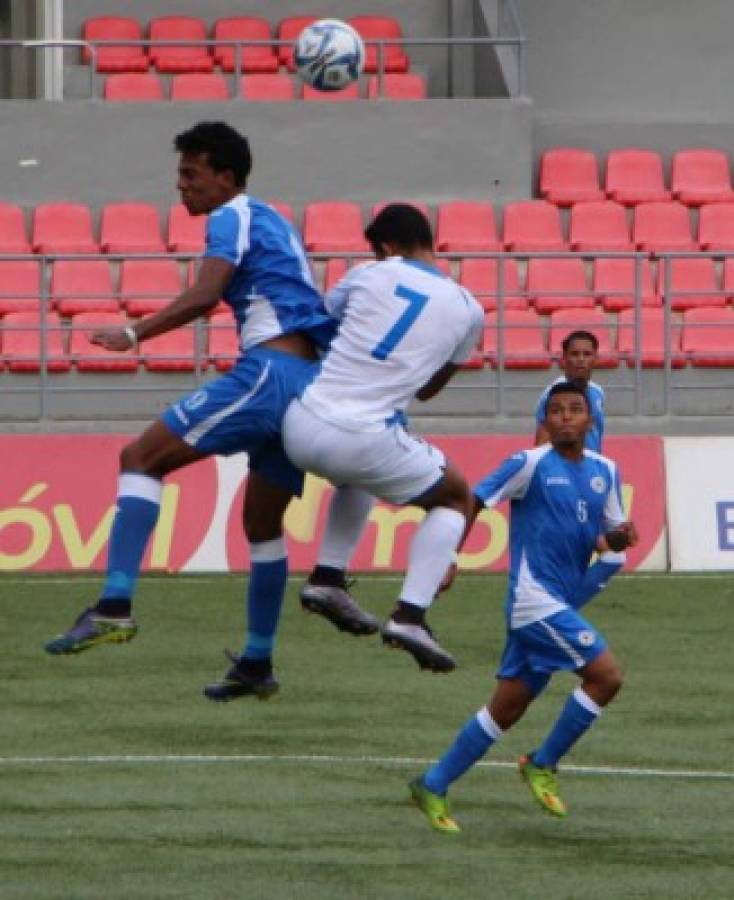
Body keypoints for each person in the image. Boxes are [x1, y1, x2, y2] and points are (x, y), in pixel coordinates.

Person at [44, 121, 379, 702]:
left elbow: (205, 294)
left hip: (270, 375)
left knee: (140, 457)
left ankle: (114, 605)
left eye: (190, 174)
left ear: (226, 177)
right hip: (304, 381)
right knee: (261, 526)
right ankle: (256, 661)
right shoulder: (274, 220)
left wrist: (134, 331)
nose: (182, 187)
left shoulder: (234, 216)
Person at [409, 380, 637, 833]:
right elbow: (473, 502)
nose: (566, 417)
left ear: (591, 420)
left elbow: (611, 546)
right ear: (544, 422)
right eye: (556, 411)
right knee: (606, 676)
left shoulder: (605, 471)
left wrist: (615, 539)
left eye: (575, 409)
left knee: (506, 709)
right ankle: (542, 762)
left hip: (554, 605)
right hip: (533, 603)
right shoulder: (528, 464)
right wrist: (449, 554)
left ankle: (432, 783)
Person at [282, 203, 485, 673]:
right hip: (364, 436)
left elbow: (319, 331)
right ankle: (410, 616)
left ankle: (328, 577)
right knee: (456, 497)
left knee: (361, 475)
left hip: (303, 420)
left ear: (387, 247)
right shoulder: (470, 310)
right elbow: (430, 390)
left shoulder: (366, 275)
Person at [535, 330, 605, 451]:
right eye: (574, 354)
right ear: (564, 357)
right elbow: (541, 444)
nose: (581, 359)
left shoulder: (598, 392)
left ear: (595, 358)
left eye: (587, 354)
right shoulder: (552, 396)